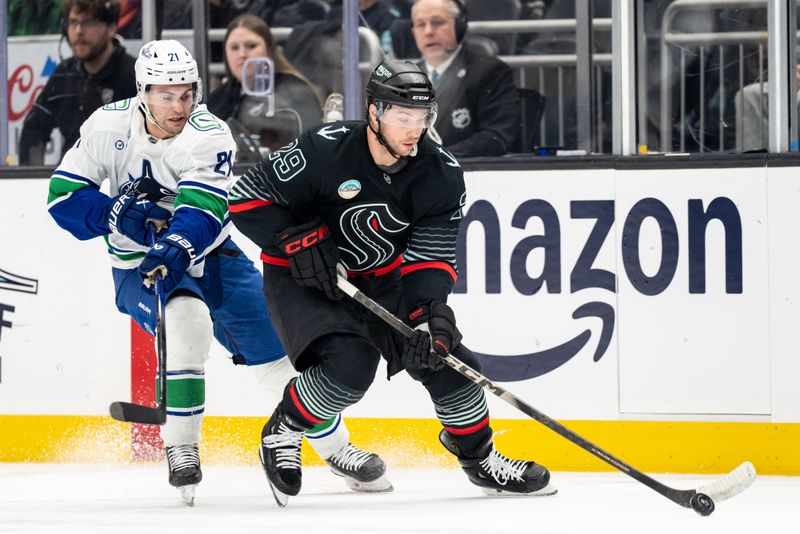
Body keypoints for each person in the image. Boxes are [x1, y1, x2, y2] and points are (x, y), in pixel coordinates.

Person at [46, 39, 391, 505]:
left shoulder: (208, 133)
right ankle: (182, 447)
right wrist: (115, 215)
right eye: (166, 95)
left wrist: (174, 243)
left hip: (214, 256)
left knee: (280, 361)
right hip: (137, 269)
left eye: (187, 93)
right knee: (187, 322)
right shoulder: (107, 125)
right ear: (142, 91)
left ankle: (337, 449)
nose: (179, 105)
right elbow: (62, 198)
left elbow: (204, 208)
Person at [229, 59, 556, 507]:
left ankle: (480, 458)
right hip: (305, 278)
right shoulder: (323, 148)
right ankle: (283, 430)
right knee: (351, 366)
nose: (414, 129)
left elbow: (432, 257)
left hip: (384, 281)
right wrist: (292, 239)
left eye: (423, 119)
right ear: (375, 112)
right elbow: (245, 198)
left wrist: (427, 314)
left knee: (450, 359)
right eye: (403, 117)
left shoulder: (441, 173)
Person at [18, 0, 137, 165]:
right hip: (69, 181)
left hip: (118, 183)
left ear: (111, 28)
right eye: (73, 22)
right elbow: (34, 128)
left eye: (88, 22)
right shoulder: (65, 72)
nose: (78, 31)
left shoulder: (134, 75)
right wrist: (33, 180)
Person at [410, 0, 520, 157]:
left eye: (437, 23)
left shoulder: (489, 71)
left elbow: (495, 138)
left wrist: (437, 158)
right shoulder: (405, 78)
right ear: (413, 32)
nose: (428, 31)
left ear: (459, 26)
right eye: (421, 24)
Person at [207, 14, 323, 161]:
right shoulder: (218, 98)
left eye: (251, 46)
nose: (242, 54)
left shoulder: (295, 90)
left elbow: (311, 149)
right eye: (234, 47)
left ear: (268, 50)